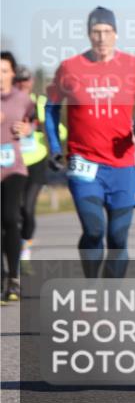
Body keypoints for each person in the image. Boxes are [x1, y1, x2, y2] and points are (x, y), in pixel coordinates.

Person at [45, 7, 135, 278]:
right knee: (94, 229)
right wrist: (53, 146)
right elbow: (50, 109)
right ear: (88, 34)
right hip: (83, 162)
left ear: (116, 34)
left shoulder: (133, 66)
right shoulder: (69, 68)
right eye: (96, 32)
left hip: (122, 164)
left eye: (107, 32)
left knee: (118, 236)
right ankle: (91, 283)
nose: (102, 38)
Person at [13, 66, 66, 264]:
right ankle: (12, 246)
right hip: (12, 163)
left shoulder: (41, 103)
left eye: (25, 80)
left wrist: (35, 130)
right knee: (13, 211)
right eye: (18, 80)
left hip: (35, 162)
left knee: (27, 208)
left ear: (32, 81)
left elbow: (60, 132)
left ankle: (26, 245)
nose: (22, 84)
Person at [1, 52, 36, 302]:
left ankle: (13, 277)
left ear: (12, 73)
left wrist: (27, 128)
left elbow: (34, 122)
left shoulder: (22, 99)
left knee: (11, 218)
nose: (0, 75)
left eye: (4, 70)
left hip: (14, 168)